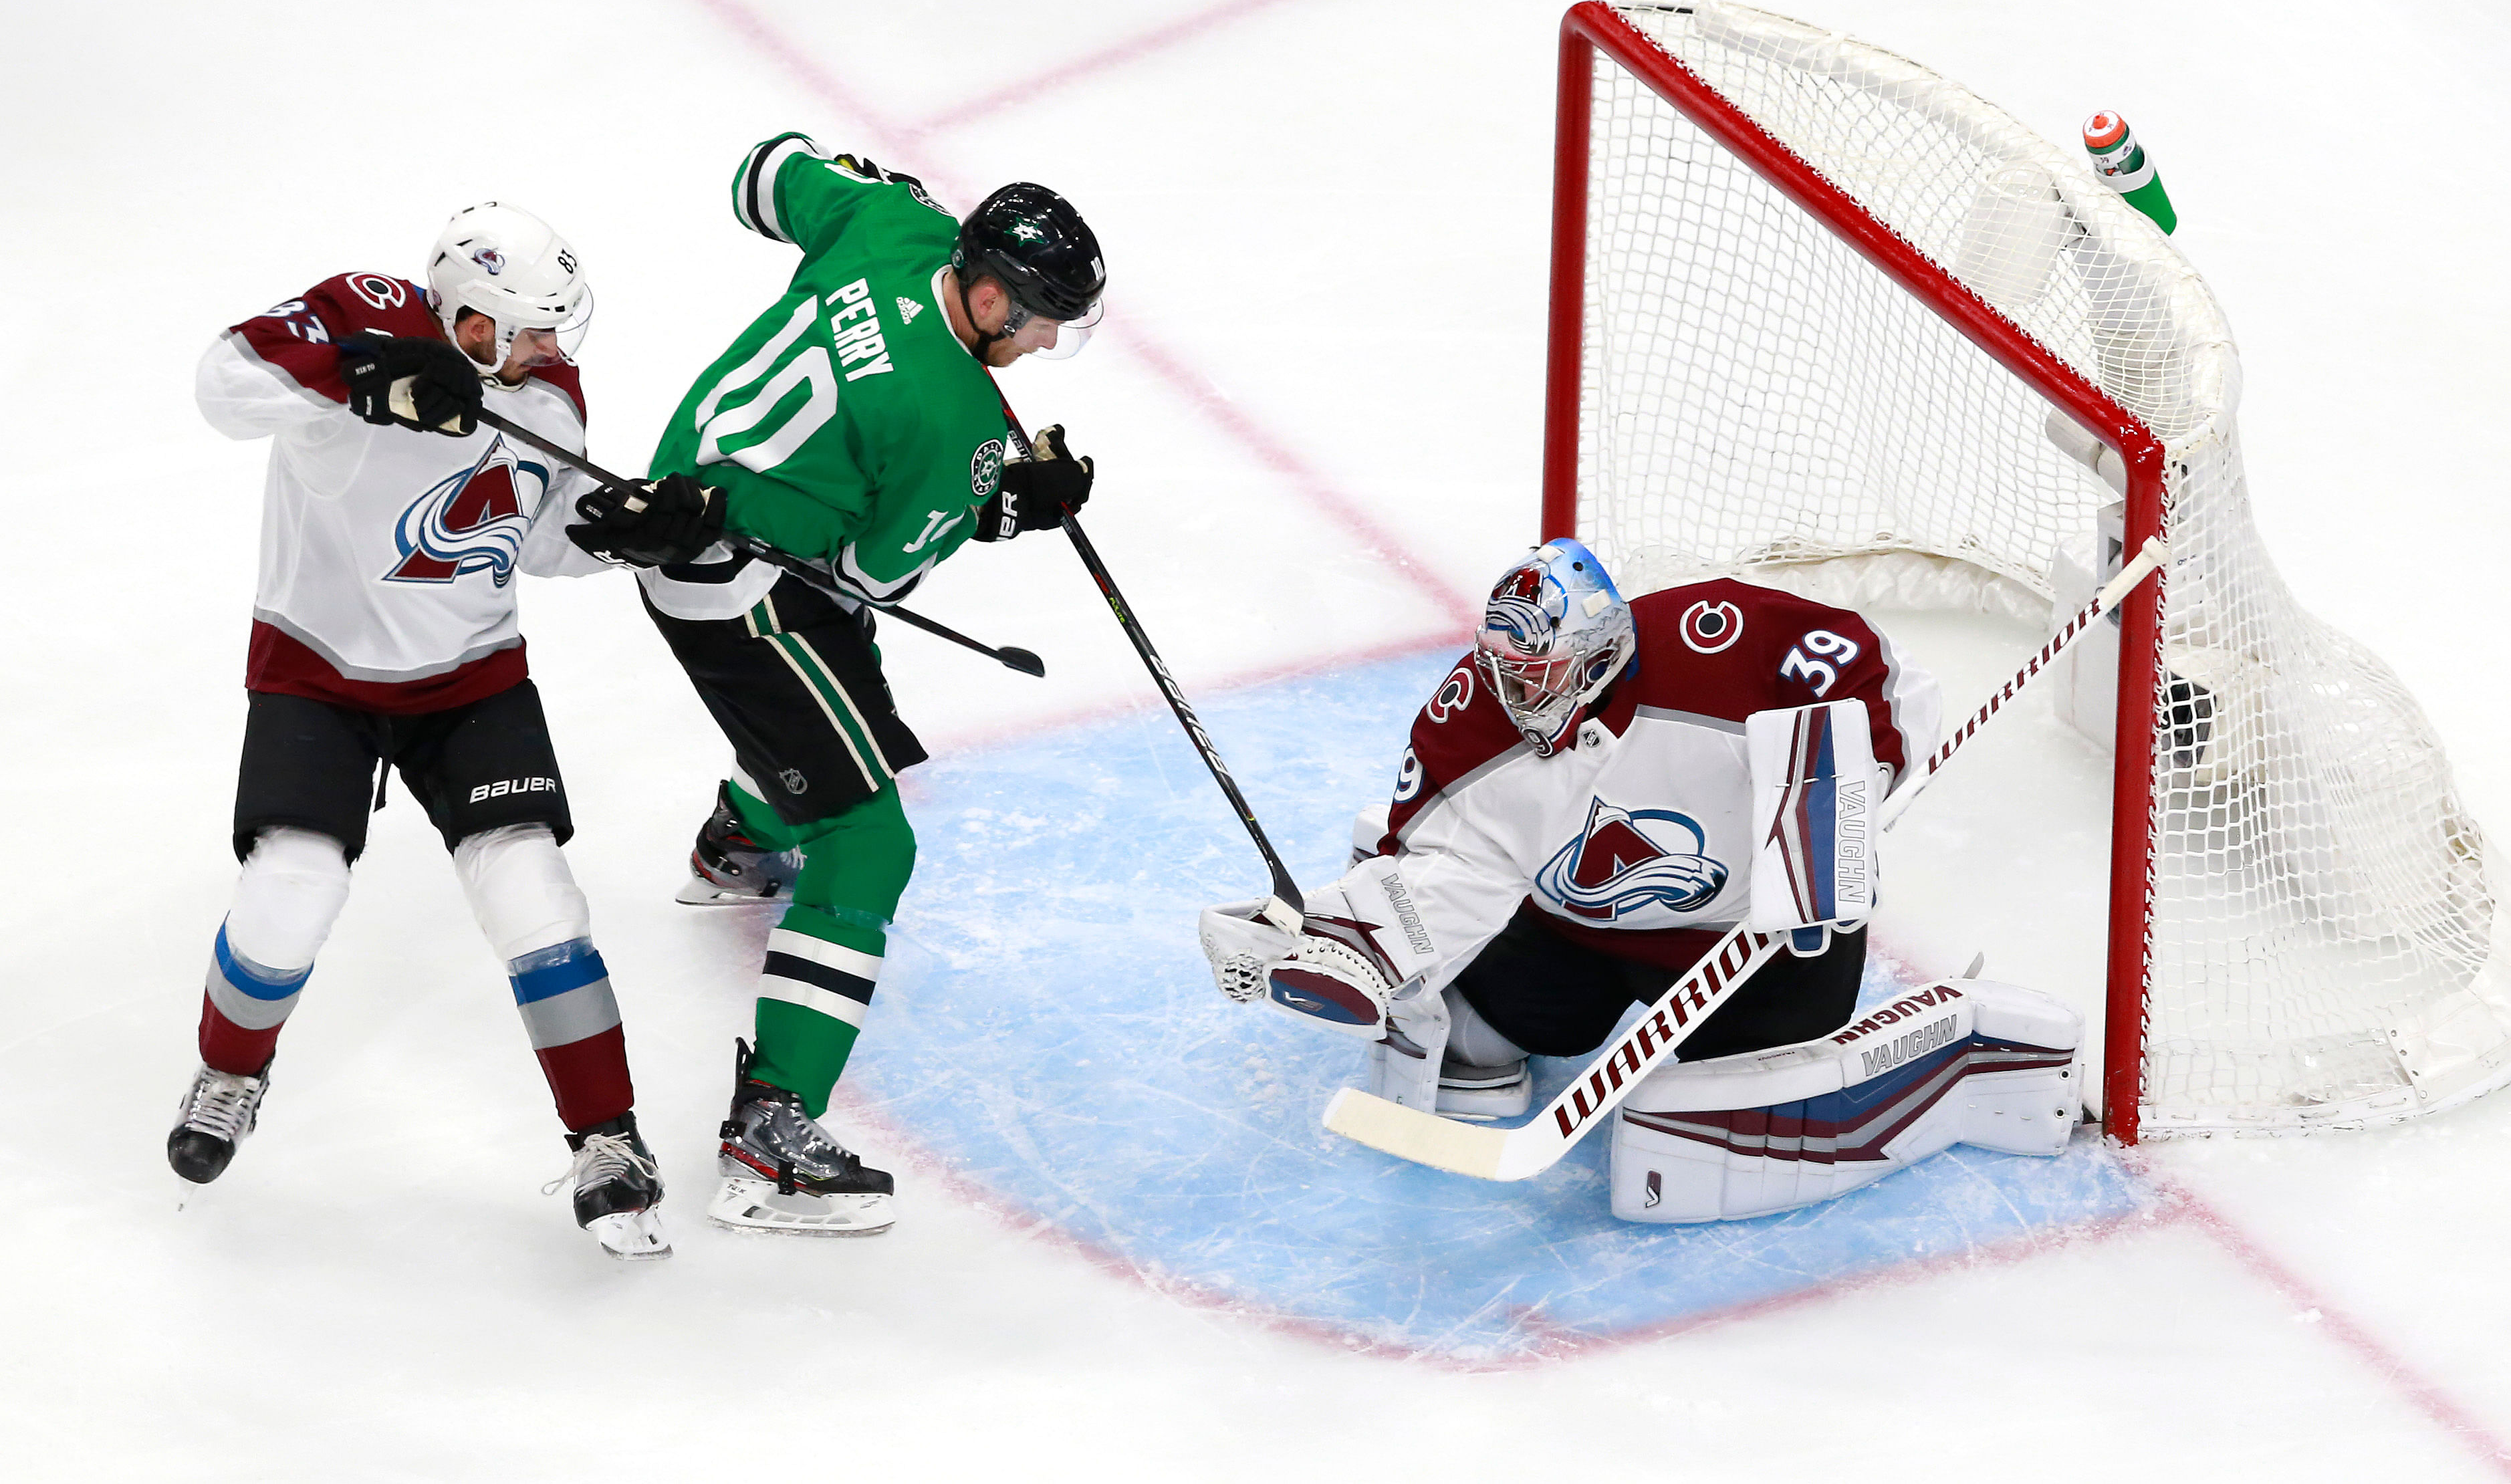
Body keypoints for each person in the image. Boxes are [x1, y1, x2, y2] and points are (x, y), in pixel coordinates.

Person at [1199, 541, 2086, 1223]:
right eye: (1502, 664)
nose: (1509, 688)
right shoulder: (1472, 712)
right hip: (1566, 935)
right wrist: (1341, 938)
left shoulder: (1726, 645)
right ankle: (1474, 1016)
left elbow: (1885, 684)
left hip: (1754, 941)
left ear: (1595, 657)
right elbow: (1445, 864)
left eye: (1534, 671)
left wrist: (1844, 794)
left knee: (1751, 1094)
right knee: (1476, 1033)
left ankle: (1914, 1062)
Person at [178, 203, 715, 1260]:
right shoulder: (360, 311)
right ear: (468, 321)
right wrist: (360, 374)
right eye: (529, 331)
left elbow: (524, 530)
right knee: (295, 885)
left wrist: (624, 535)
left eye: (560, 330)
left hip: (471, 676)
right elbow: (220, 386)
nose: (554, 352)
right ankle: (230, 1071)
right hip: (317, 670)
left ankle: (608, 1138)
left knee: (531, 888)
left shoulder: (549, 393)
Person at [634, 134, 1104, 1236]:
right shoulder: (946, 424)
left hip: (693, 491)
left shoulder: (900, 227)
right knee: (869, 836)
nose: (1040, 341)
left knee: (856, 726)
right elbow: (871, 574)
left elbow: (764, 169)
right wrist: (1006, 503)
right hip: (742, 583)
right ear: (985, 292)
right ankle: (773, 1134)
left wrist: (864, 195)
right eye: (1035, 318)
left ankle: (741, 835)